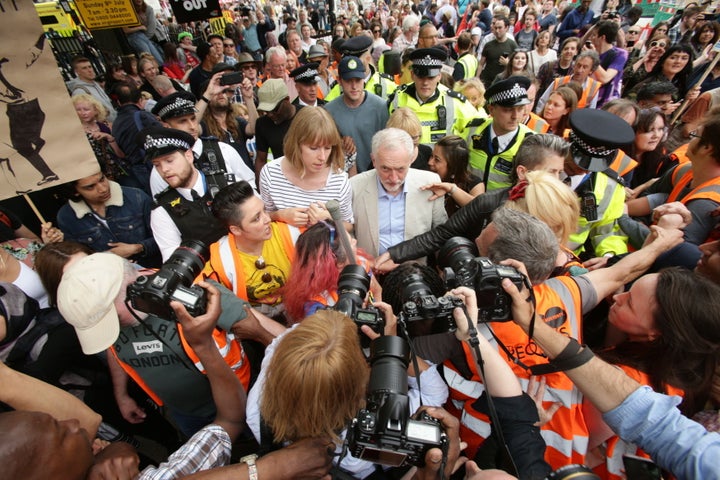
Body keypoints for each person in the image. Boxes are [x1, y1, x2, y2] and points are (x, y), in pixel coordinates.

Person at [501, 260, 720, 480]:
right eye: (629, 291)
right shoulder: (681, 364)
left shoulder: (628, 383)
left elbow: (584, 442)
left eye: (630, 302)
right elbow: (612, 349)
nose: (617, 297)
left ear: (655, 333)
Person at [246, 310, 449, 479]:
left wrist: (327, 333)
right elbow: (435, 392)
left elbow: (281, 343)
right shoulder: (363, 445)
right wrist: (389, 345)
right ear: (360, 383)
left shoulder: (256, 409)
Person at [204, 181, 300, 320]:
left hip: (298, 308)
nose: (268, 219)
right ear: (235, 230)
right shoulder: (220, 260)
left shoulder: (291, 234)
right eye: (256, 218)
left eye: (264, 210)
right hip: (253, 320)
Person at [351, 128, 448, 258]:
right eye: (385, 168)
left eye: (400, 169)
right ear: (373, 160)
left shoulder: (431, 183)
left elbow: (441, 233)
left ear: (411, 160)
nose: (393, 178)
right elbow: (348, 234)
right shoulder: (354, 186)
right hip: (370, 272)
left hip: (415, 271)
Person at [259, 107, 353, 229]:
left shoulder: (340, 180)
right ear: (296, 144)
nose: (322, 157)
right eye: (314, 148)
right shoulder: (270, 173)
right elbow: (263, 218)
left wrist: (329, 219)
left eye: (328, 148)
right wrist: (280, 215)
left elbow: (349, 225)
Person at [149, 92, 257, 197]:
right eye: (182, 121)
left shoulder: (223, 150)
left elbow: (250, 184)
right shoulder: (162, 169)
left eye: (193, 119)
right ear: (166, 126)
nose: (192, 126)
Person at [56, 171, 161, 268]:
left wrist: (138, 248)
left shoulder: (137, 197)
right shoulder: (67, 217)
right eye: (90, 187)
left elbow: (165, 236)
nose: (103, 189)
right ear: (75, 191)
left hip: (153, 268)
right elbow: (79, 261)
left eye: (102, 179)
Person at [281, 220, 375, 322]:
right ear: (338, 263)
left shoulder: (361, 263)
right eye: (350, 243)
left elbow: (376, 293)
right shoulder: (316, 305)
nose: (355, 241)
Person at [389, 48, 478, 148]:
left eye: (431, 77)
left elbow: (479, 125)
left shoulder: (454, 101)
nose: (425, 83)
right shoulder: (397, 98)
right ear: (412, 75)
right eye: (421, 77)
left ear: (439, 76)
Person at [465, 76, 535, 191]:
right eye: (508, 110)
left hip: (505, 207)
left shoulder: (531, 142)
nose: (515, 116)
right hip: (468, 200)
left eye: (520, 109)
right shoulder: (473, 128)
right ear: (491, 109)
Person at [324, 55, 389, 173]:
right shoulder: (329, 111)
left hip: (376, 175)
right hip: (342, 176)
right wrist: (340, 144)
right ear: (339, 81)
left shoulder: (380, 107)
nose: (354, 86)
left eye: (358, 80)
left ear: (364, 79)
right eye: (349, 81)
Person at [111, 82, 162, 193]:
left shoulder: (115, 124)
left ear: (119, 102)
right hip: (154, 165)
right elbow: (163, 135)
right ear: (140, 100)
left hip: (137, 170)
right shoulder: (143, 116)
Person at [422, 135, 484, 217]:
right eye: (431, 156)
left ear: (453, 165)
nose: (430, 162)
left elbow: (479, 208)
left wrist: (452, 189)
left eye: (437, 159)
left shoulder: (474, 183)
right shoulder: (427, 177)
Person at [253, 78, 300, 183]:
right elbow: (261, 160)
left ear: (287, 100)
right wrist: (260, 187)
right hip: (281, 183)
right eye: (266, 111)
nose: (270, 115)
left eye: (274, 110)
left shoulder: (307, 116)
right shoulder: (262, 124)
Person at [71, 94, 126, 181]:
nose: (83, 113)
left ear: (96, 110)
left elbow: (120, 154)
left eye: (86, 109)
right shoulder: (76, 133)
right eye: (78, 110)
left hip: (119, 170)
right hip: (97, 176)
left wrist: (108, 137)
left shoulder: (105, 126)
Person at [536, 50, 602, 112]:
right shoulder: (559, 82)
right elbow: (542, 102)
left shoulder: (594, 87)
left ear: (591, 70)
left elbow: (590, 112)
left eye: (585, 67)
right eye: (578, 65)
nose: (579, 70)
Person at [585, 20, 628, 107]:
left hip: (608, 103)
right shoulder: (590, 52)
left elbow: (605, 78)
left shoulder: (620, 54)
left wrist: (593, 58)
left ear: (602, 37)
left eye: (594, 35)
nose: (591, 38)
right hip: (588, 99)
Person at [67, 56, 117, 122]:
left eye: (90, 67)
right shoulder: (79, 91)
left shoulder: (95, 84)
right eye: (84, 68)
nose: (89, 70)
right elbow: (84, 116)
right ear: (77, 72)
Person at [479, 16, 519, 87]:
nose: (497, 31)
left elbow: (518, 66)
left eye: (500, 28)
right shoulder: (488, 45)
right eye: (495, 28)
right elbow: (481, 64)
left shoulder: (512, 45)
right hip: (487, 81)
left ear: (506, 28)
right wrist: (477, 78)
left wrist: (508, 63)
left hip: (503, 82)